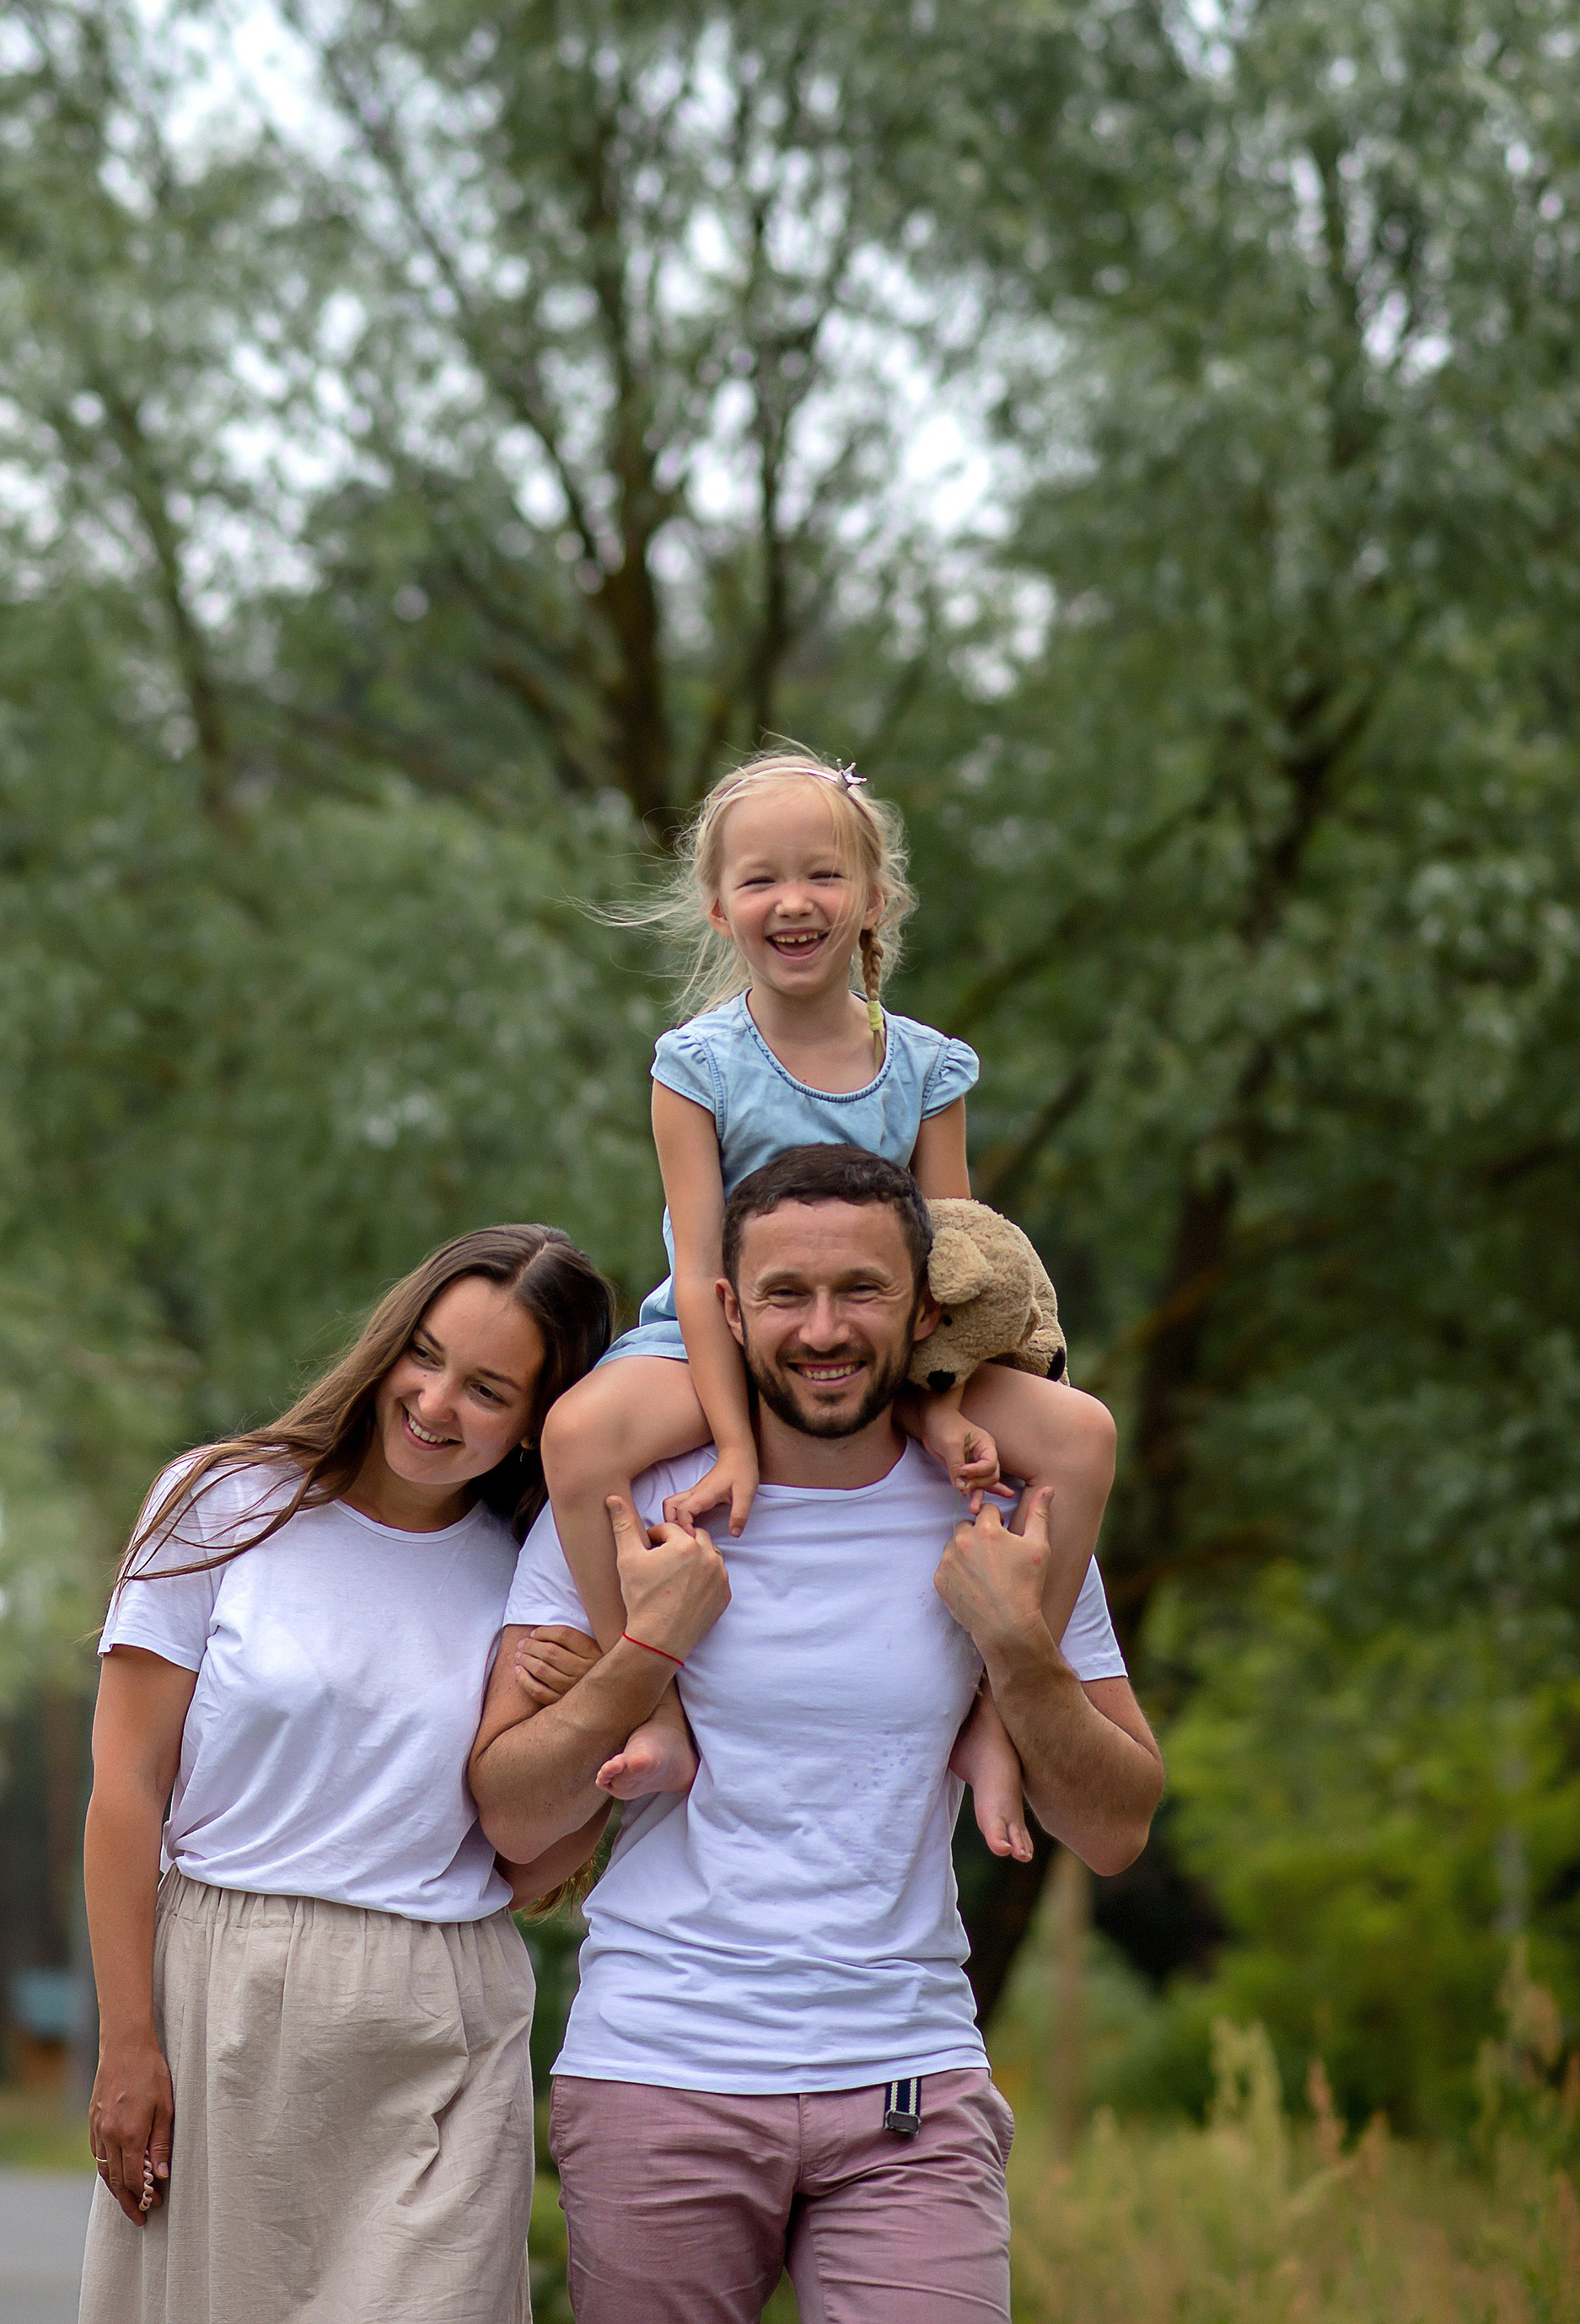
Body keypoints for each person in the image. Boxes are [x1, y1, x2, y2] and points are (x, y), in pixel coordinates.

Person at [473, 1146, 1164, 2324]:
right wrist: (647, 1653)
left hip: (909, 2082)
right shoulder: (630, 1504)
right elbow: (511, 1817)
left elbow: (1115, 1830)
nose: (825, 1329)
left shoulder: (1006, 1514)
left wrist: (1017, 1647)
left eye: (862, 1290)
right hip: (661, 2069)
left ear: (925, 1309)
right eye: (787, 1294)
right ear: (729, 1310)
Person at [538, 742, 1117, 1850]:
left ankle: (997, 1721)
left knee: (1083, 1437)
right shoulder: (696, 1067)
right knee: (575, 1439)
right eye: (760, 880)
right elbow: (701, 1271)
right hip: (714, 1336)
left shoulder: (927, 1067)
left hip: (888, 1345)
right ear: (719, 909)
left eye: (822, 875)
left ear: (873, 900)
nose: (793, 901)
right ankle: (653, 1708)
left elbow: (957, 1259)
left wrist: (940, 1406)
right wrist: (735, 1446)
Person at [78, 1224, 613, 2324]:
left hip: (447, 2017)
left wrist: (600, 1708)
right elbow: (125, 1790)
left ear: (539, 1422)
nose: (434, 1403)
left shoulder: (536, 1579)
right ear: (389, 1341)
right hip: (227, 2000)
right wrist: (127, 2042)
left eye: (487, 1390)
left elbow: (528, 1866)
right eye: (426, 1355)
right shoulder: (220, 1501)